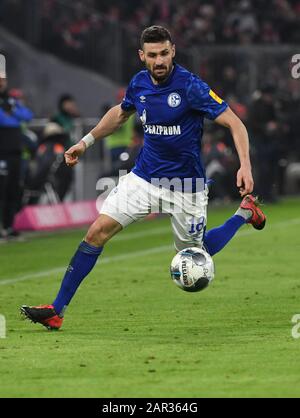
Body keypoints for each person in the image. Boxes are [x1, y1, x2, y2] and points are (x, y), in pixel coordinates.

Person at [21, 26, 266, 330]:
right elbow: (121, 113)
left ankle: (244, 213)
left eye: (164, 53)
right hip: (144, 178)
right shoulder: (139, 84)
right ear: (142, 56)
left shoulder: (191, 87)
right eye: (153, 55)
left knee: (195, 253)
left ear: (173, 51)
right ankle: (57, 310)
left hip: (185, 186)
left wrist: (245, 165)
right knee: (96, 232)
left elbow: (235, 123)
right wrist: (85, 142)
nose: (159, 60)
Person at [0, 75, 33, 240]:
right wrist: (11, 116)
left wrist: (12, 111)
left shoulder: (11, 101)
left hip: (15, 153)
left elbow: (27, 115)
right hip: (2, 152)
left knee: (14, 190)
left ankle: (8, 226)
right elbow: (4, 121)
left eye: (3, 80)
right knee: (2, 190)